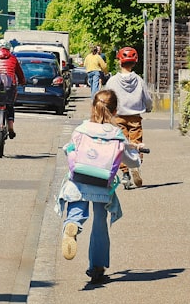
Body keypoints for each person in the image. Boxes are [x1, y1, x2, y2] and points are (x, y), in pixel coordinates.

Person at [57, 89, 143, 285]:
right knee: (99, 223)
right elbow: (131, 161)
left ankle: (73, 224)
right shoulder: (116, 134)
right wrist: (136, 153)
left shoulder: (82, 129)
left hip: (79, 179)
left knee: (77, 204)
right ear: (114, 111)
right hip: (102, 184)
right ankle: (97, 267)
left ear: (93, 107)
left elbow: (69, 149)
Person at [104, 46, 153, 189]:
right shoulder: (139, 80)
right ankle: (136, 166)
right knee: (136, 143)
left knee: (121, 145)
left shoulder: (112, 81)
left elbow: (107, 97)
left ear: (120, 61)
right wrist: (148, 108)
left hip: (118, 117)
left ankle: (125, 175)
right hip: (135, 117)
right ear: (135, 62)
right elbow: (147, 98)